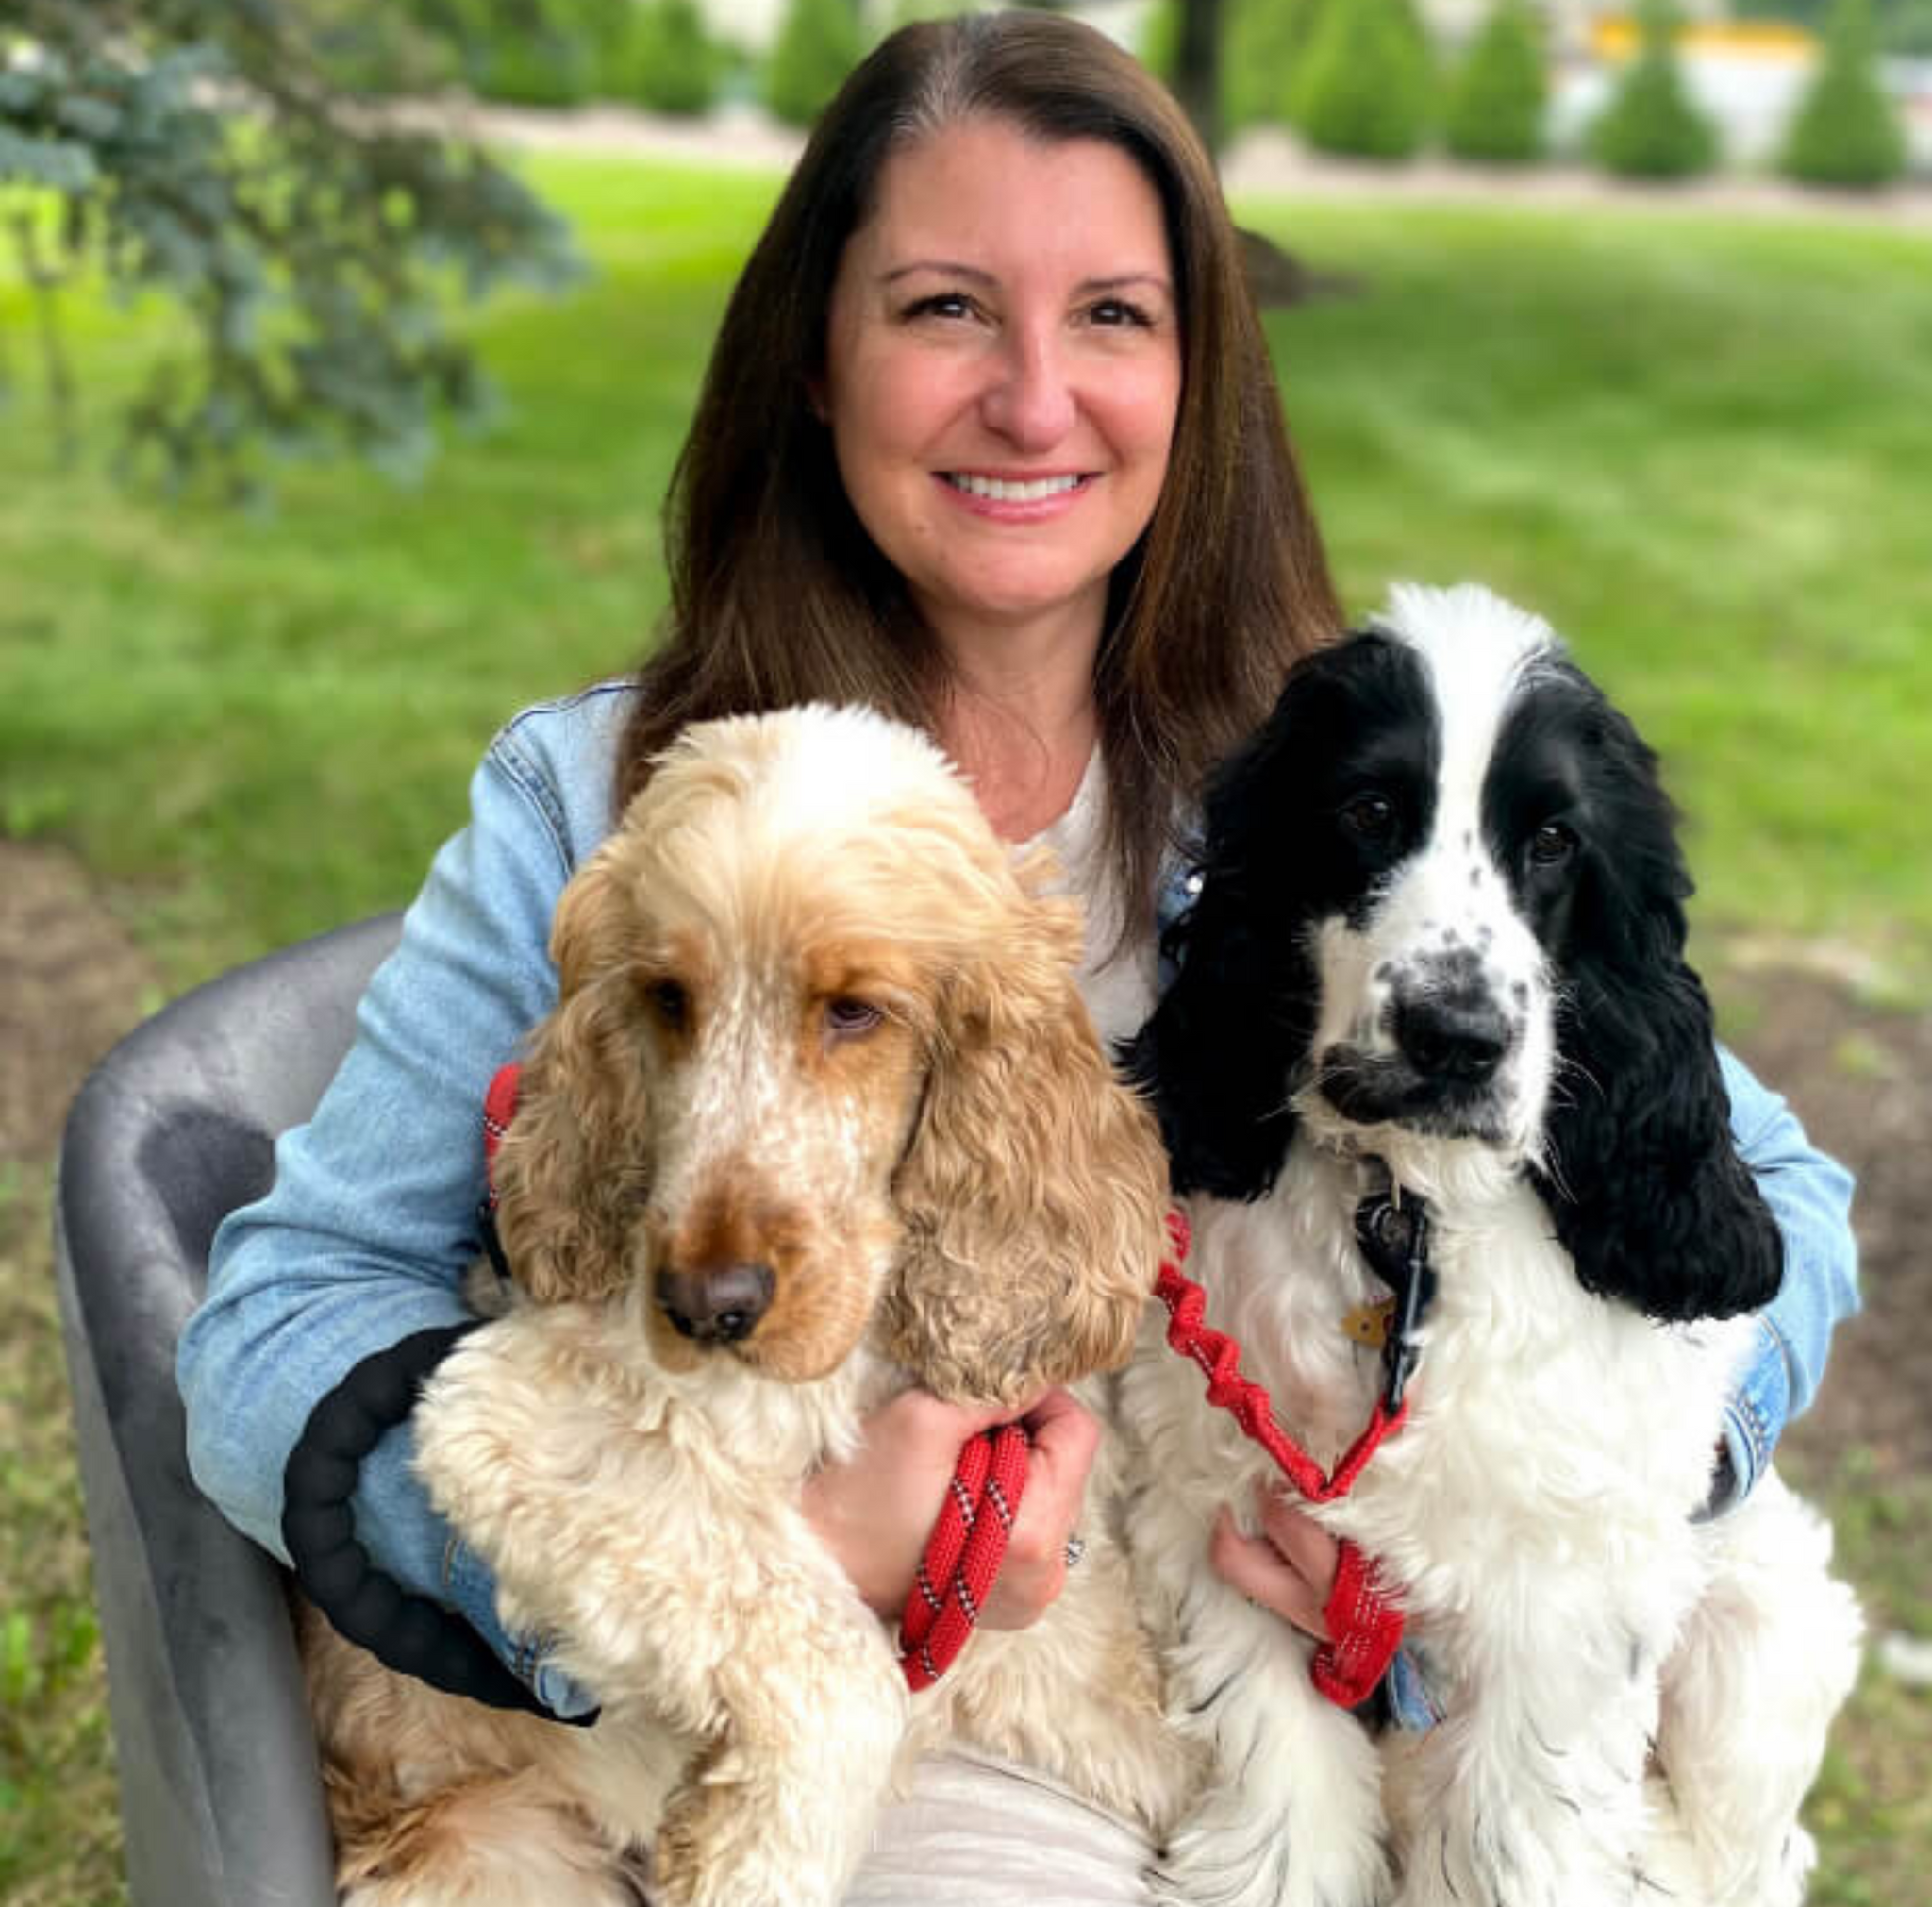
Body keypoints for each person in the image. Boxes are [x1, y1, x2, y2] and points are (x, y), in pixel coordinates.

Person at [176, 11, 1857, 1899]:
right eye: (946, 309)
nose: (1035, 399)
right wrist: (739, 1580)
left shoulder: (1320, 802)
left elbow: (1774, 1193)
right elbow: (275, 1323)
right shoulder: (616, 801)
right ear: (817, 361)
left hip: (1297, 1715)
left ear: (1197, 378)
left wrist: (1531, 1524)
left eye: (1114, 318)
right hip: (921, 1740)